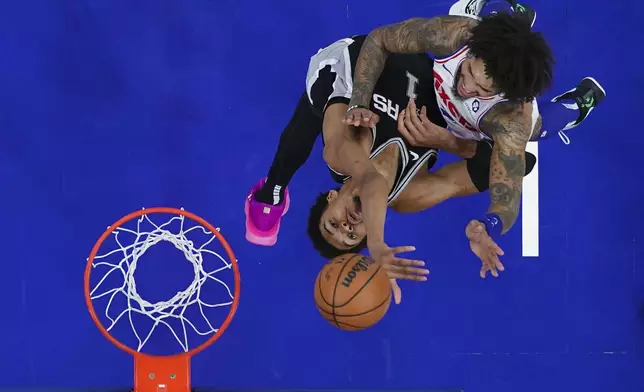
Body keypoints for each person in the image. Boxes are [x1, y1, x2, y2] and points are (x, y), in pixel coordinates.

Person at [342, 4, 605, 278]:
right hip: (470, 42)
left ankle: (575, 105)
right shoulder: (454, 35)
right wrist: (358, 102)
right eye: (468, 71)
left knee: (536, 130)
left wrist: (486, 226)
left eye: (481, 89)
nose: (466, 87)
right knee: (487, 16)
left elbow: (507, 194)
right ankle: (505, 10)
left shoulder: (511, 117)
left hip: (472, 125)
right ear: (471, 51)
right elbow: (380, 38)